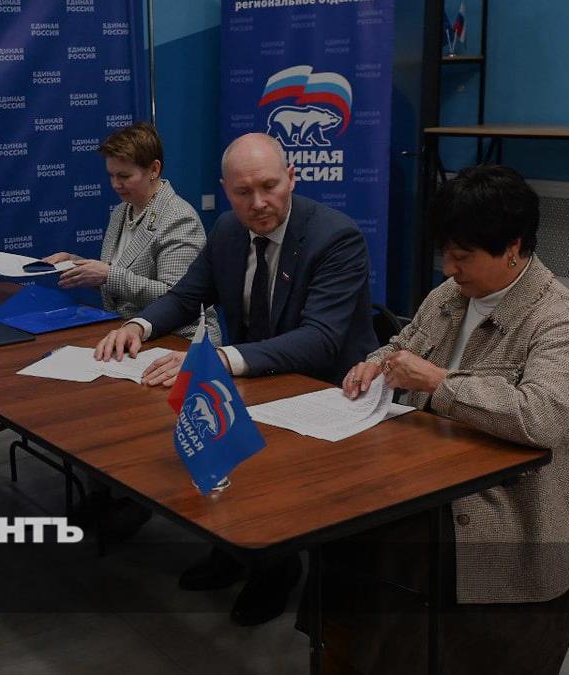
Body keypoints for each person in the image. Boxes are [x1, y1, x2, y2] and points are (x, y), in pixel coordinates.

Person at [94, 132, 378, 626]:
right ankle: (230, 549)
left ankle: (275, 568)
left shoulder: (336, 237)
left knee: (261, 461)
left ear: (292, 178)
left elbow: (322, 339)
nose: (258, 203)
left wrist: (222, 359)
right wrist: (139, 326)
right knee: (207, 426)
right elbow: (187, 297)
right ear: (225, 189)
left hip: (327, 389)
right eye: (243, 192)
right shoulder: (227, 230)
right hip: (259, 375)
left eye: (269, 187)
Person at [328, 164, 569, 673]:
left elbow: (541, 417)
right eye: (445, 253)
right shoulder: (450, 296)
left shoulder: (561, 317)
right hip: (433, 469)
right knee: (344, 526)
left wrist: (437, 382)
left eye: (463, 255)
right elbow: (403, 345)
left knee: (401, 550)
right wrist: (377, 364)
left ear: (513, 247)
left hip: (521, 500)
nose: (449, 268)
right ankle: (344, 652)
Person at [43, 122, 220, 343]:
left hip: (179, 340)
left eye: (124, 176)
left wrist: (108, 275)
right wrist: (75, 265)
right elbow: (116, 277)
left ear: (154, 170)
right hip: (129, 335)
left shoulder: (179, 218)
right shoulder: (120, 212)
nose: (115, 184)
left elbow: (179, 298)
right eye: (111, 175)